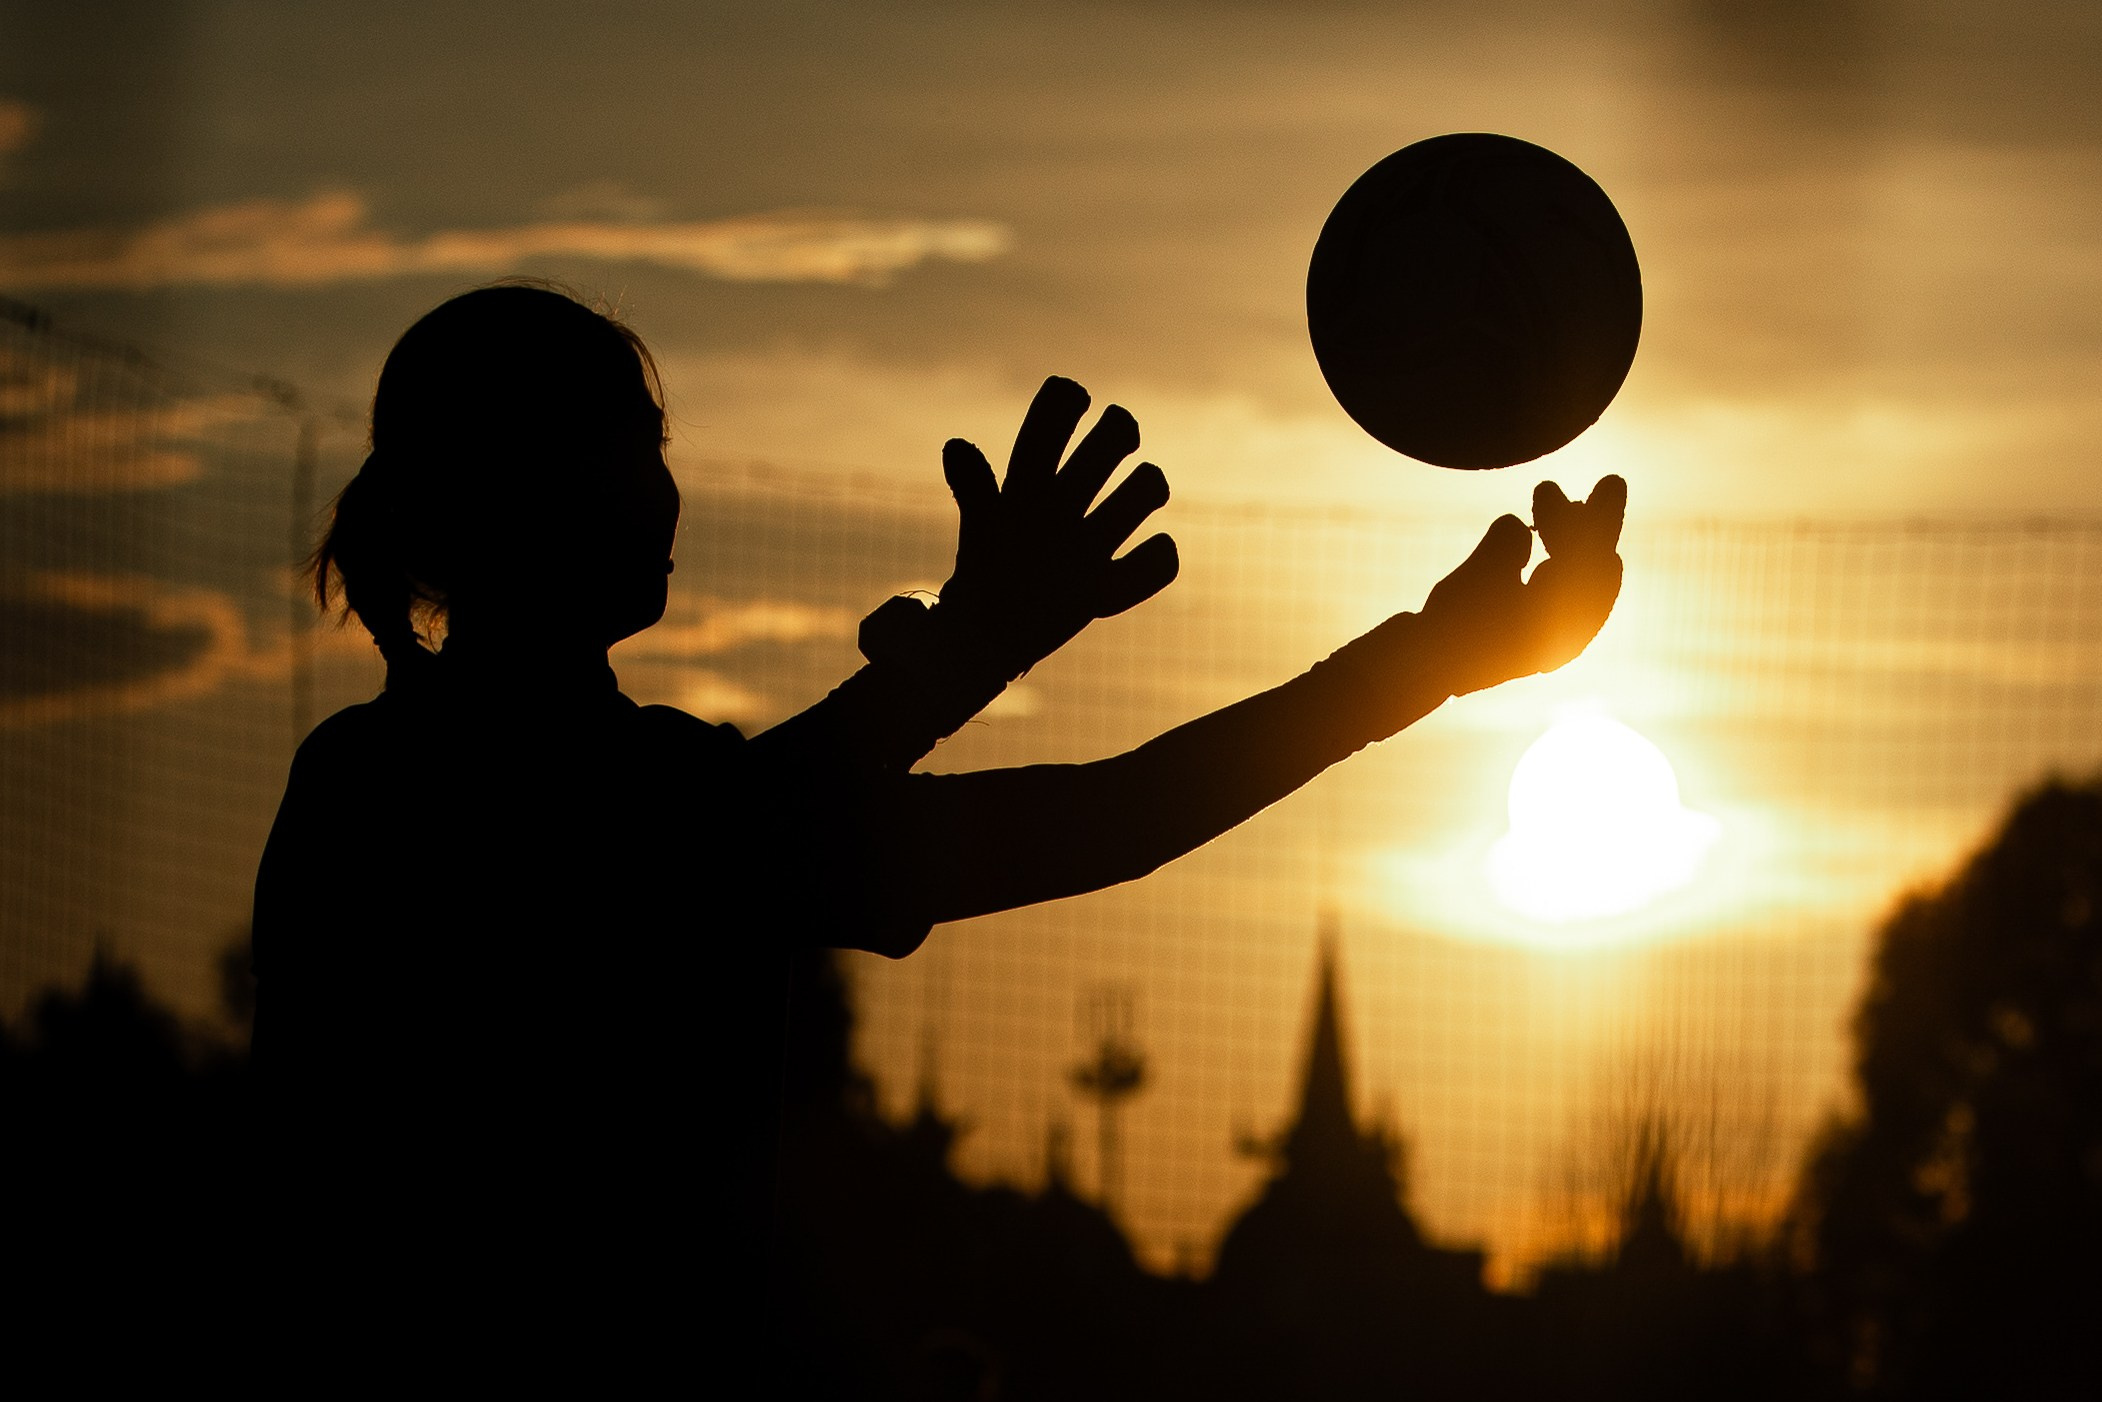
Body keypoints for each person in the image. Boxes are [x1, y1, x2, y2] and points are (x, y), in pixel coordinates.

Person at [250, 282, 1624, 1360]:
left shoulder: (412, 780)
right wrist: (982, 641)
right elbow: (1079, 818)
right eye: (630, 445)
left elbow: (1086, 815)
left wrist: (1422, 658)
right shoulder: (445, 800)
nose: (664, 484)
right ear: (524, 488)